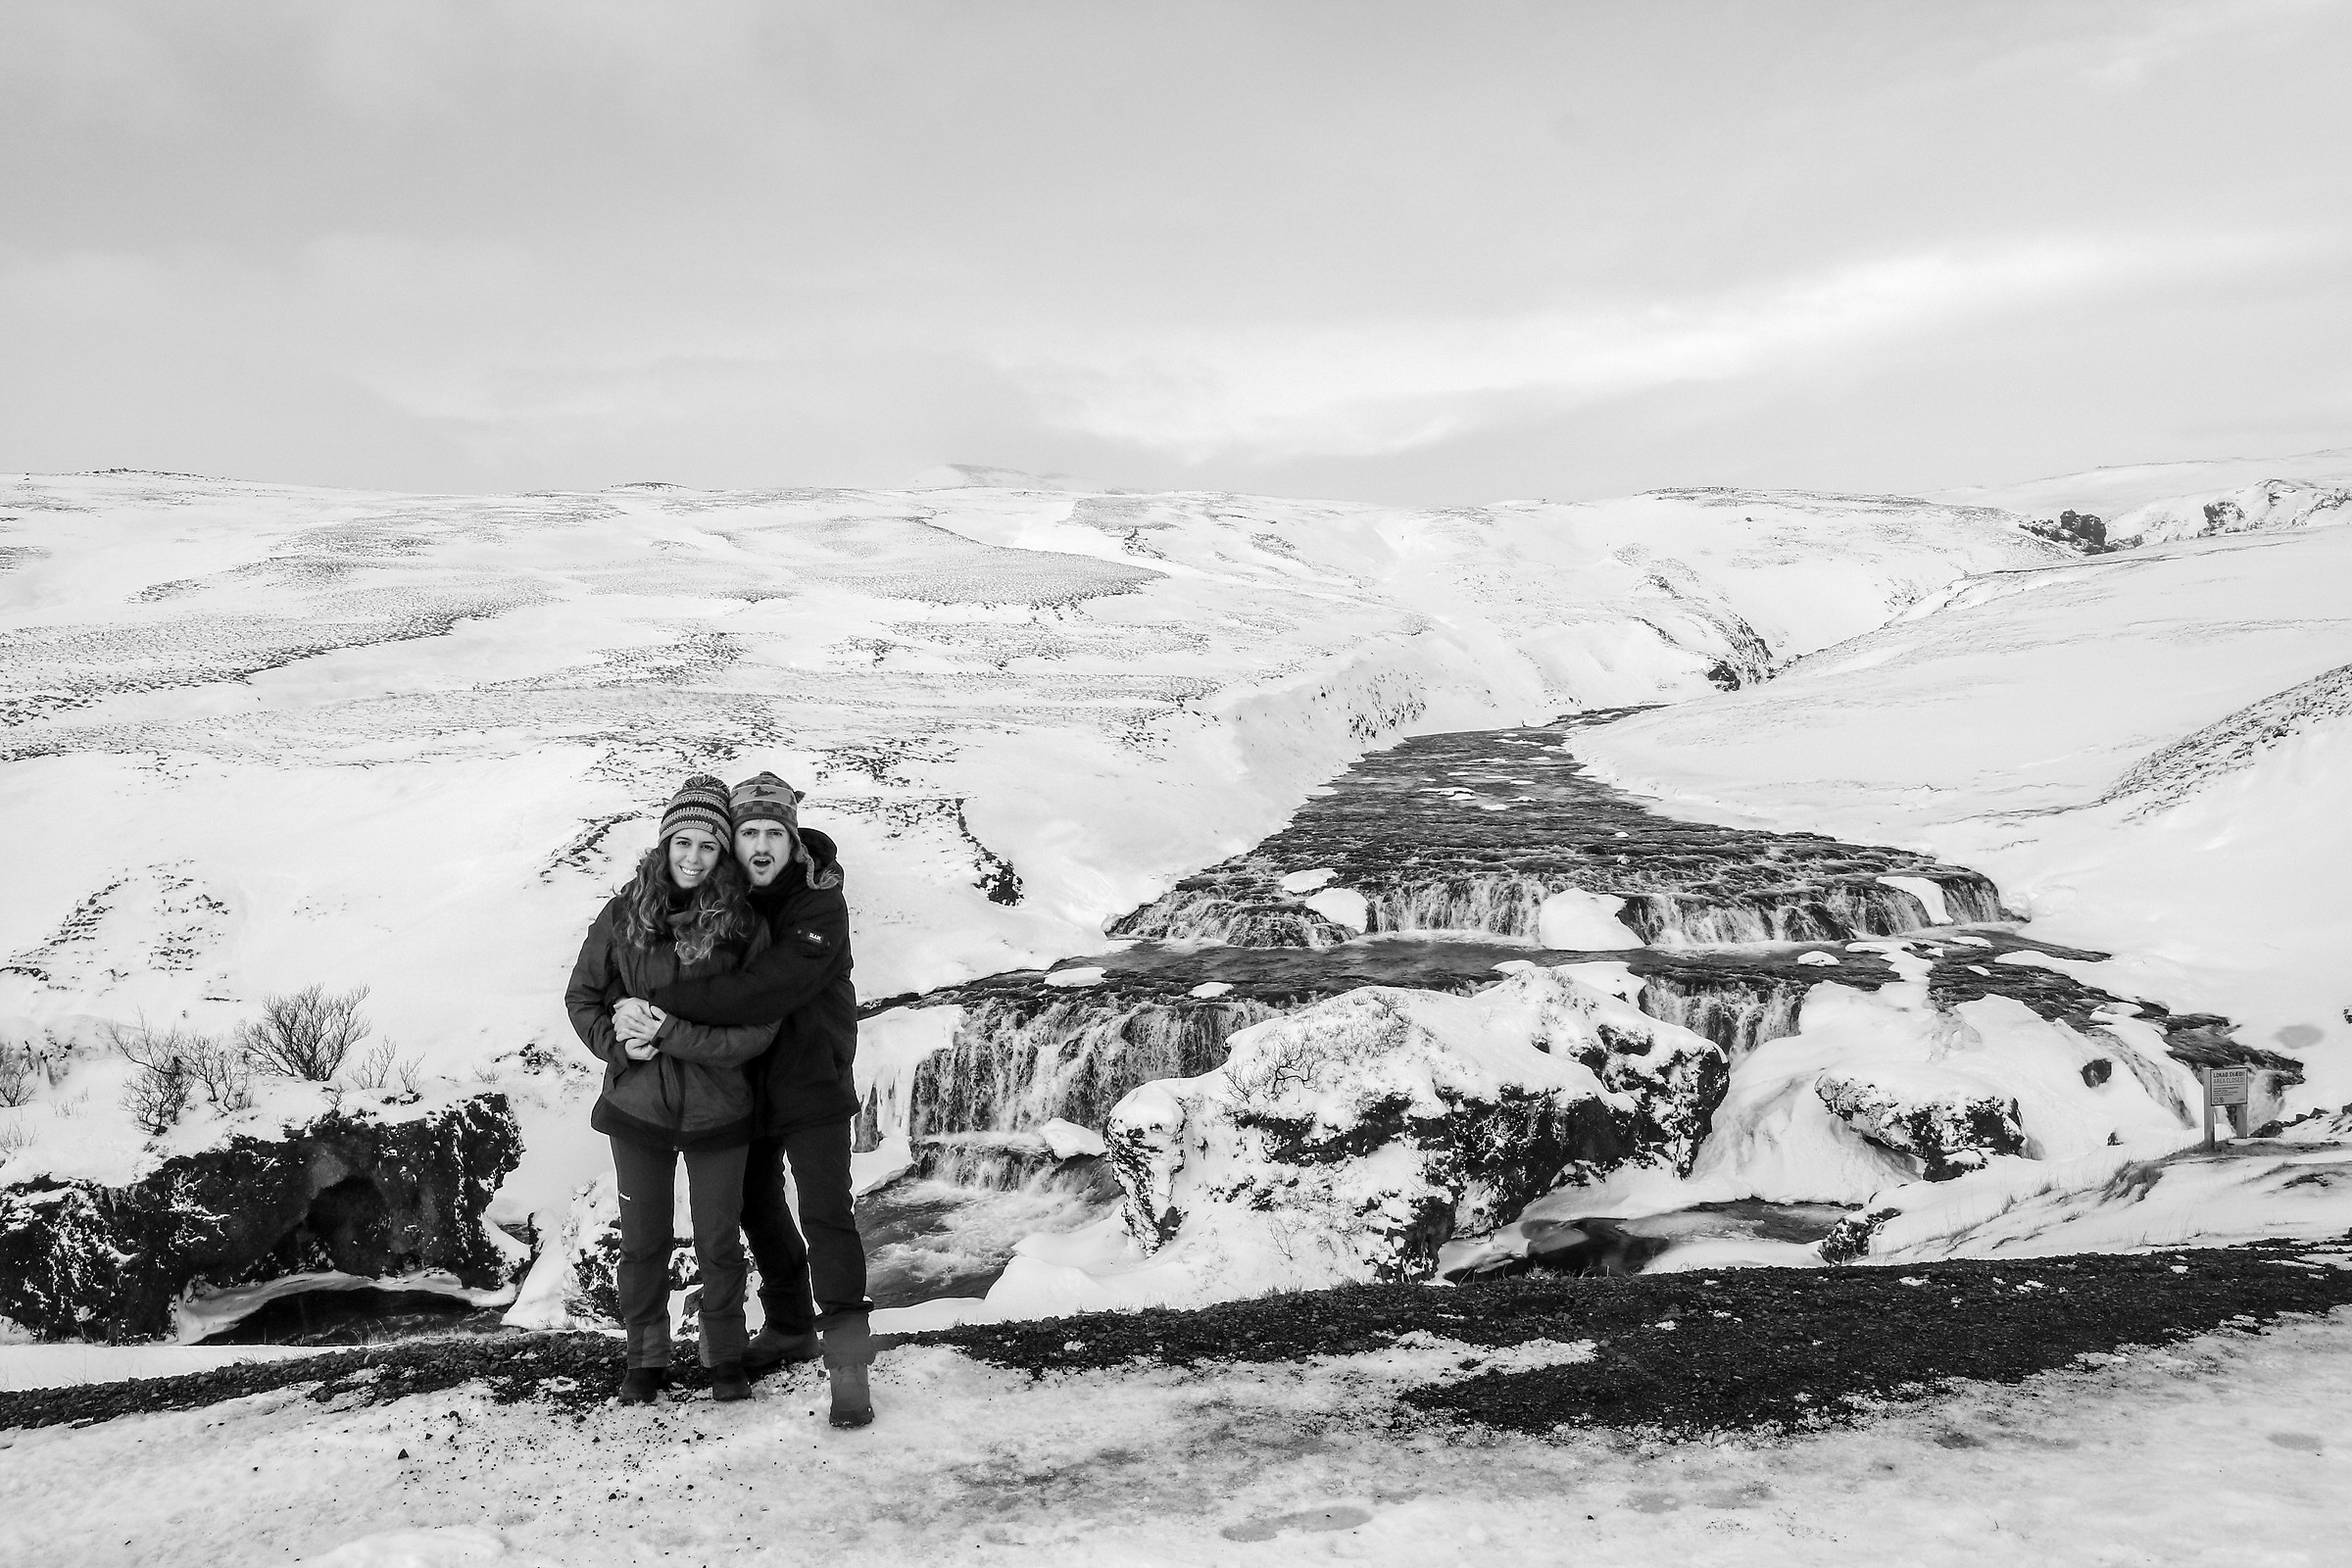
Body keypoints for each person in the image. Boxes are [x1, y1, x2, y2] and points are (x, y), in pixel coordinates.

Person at [614, 771, 871, 1428]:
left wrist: (654, 1006)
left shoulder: (820, 904)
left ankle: (848, 1367)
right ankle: (788, 1324)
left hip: (810, 1081)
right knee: (757, 1208)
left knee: (825, 1214)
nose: (761, 844)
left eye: (772, 833)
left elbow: (761, 993)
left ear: (793, 840)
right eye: (749, 832)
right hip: (743, 1085)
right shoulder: (728, 903)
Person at [564, 775, 778, 1405]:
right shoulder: (622, 913)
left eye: (708, 846)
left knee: (718, 1242)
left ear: (722, 854)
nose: (693, 857)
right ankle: (646, 1358)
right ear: (663, 845)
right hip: (638, 1105)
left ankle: (724, 1358)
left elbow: (759, 1029)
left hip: (719, 1108)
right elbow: (582, 997)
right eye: (682, 842)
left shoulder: (743, 925)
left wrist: (675, 1033)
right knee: (643, 1242)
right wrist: (616, 1042)